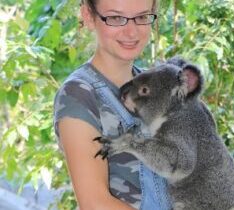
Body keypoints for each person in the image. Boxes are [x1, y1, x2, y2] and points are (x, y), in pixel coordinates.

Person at [53, 0, 172, 210]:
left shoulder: (152, 87)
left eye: (142, 17)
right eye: (116, 18)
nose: (131, 32)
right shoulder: (79, 94)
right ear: (89, 16)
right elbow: (94, 203)